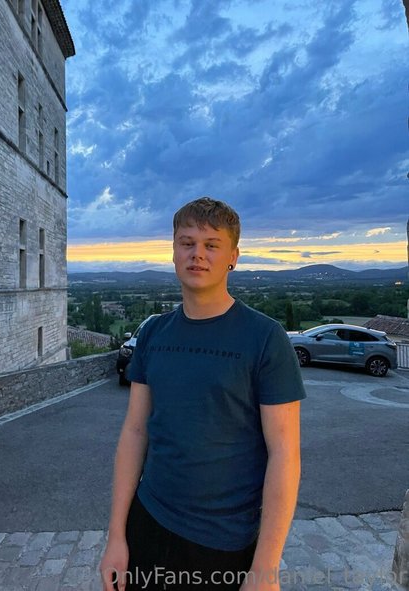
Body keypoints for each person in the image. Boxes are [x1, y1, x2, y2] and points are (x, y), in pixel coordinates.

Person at [100, 197, 306, 591]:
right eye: (187, 243)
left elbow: (284, 454)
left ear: (233, 257)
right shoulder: (154, 333)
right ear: (174, 252)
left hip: (224, 544)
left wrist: (265, 567)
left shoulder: (265, 338)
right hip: (148, 525)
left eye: (212, 245)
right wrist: (116, 535)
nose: (197, 254)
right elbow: (135, 432)